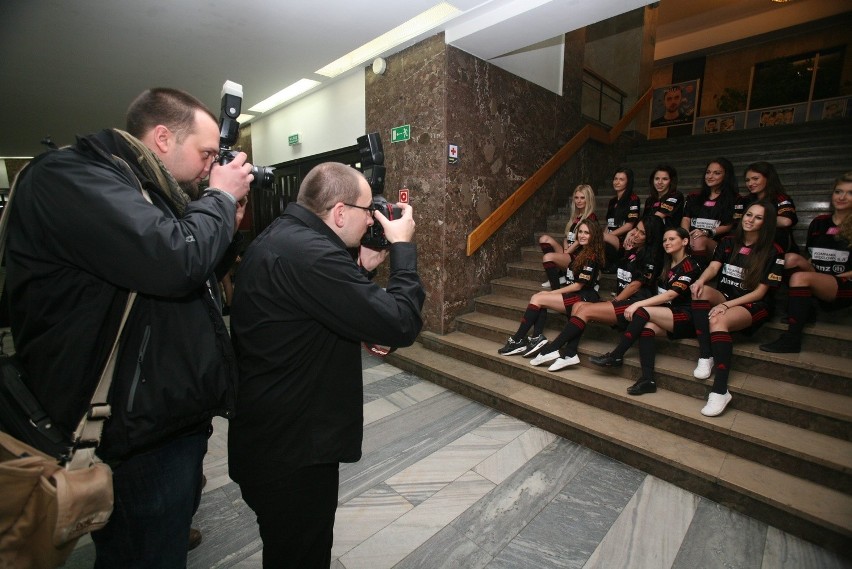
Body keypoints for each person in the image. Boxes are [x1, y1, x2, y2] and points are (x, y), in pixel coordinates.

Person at [5, 87, 252, 567]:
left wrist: (223, 224)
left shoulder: (150, 193)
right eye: (204, 154)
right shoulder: (73, 177)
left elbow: (185, 277)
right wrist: (220, 197)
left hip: (159, 420)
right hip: (129, 432)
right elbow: (174, 262)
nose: (209, 166)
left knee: (156, 535)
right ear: (162, 137)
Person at [228, 162, 425, 568]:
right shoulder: (311, 254)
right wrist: (403, 248)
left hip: (273, 438)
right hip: (293, 454)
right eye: (367, 210)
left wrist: (361, 271)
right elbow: (401, 321)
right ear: (339, 212)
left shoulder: (287, 238)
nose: (373, 219)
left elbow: (311, 308)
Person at [529, 217, 665, 371]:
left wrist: (615, 301)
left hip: (635, 305)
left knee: (585, 310)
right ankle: (570, 354)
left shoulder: (652, 258)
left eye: (643, 233)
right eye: (636, 230)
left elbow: (635, 286)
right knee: (578, 305)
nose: (636, 234)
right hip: (623, 302)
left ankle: (551, 349)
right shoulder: (633, 251)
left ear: (652, 236)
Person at [689, 201, 783, 417]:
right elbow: (714, 267)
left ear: (766, 222)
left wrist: (725, 305)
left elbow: (760, 293)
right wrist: (701, 280)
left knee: (717, 321)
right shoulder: (729, 242)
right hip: (727, 295)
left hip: (753, 304)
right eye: (749, 214)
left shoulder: (773, 251)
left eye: (758, 217)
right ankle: (706, 355)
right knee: (698, 291)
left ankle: (720, 391)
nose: (750, 219)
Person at [589, 227, 702, 395]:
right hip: (667, 313)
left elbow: (671, 294)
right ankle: (648, 379)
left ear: (685, 241)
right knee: (647, 328)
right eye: (664, 240)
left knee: (642, 312)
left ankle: (616, 355)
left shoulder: (690, 265)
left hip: (685, 317)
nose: (667, 243)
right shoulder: (666, 262)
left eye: (672, 239)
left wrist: (638, 304)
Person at [760, 172, 852, 353]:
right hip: (820, 277)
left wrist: (830, 278)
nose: (842, 197)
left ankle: (792, 339)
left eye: (850, 193)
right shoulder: (819, 222)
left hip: (845, 282)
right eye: (838, 191)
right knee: (788, 259)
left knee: (801, 278)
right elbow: (811, 256)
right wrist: (814, 273)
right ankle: (801, 309)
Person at [498, 220, 604, 357]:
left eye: (587, 233)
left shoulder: (591, 256)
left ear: (594, 235)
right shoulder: (582, 251)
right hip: (577, 292)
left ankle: (519, 339)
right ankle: (534, 338)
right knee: (539, 298)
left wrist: (553, 292)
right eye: (581, 232)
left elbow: (579, 285)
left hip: (584, 297)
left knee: (539, 298)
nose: (582, 235)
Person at [539, 184, 597, 289]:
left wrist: (568, 250)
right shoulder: (576, 216)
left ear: (588, 199)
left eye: (582, 198)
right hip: (569, 252)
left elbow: (580, 241)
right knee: (544, 239)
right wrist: (566, 247)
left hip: (578, 257)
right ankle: (561, 275)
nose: (579, 201)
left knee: (547, 257)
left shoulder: (590, 217)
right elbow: (567, 237)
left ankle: (555, 288)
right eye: (576, 197)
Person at [681, 157, 739, 260]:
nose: (710, 176)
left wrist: (707, 232)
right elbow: (686, 218)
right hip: (691, 238)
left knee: (699, 240)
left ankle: (695, 271)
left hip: (716, 243)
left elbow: (729, 225)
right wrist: (686, 235)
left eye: (717, 173)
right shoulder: (693, 196)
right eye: (708, 172)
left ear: (726, 175)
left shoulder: (734, 199)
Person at [742, 161, 799, 253]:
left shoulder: (780, 198)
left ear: (768, 178)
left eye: (755, 178)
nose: (750, 183)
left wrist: (759, 220)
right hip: (750, 245)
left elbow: (786, 221)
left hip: (776, 246)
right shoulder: (746, 200)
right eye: (747, 180)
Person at [602, 167, 641, 269]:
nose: (617, 182)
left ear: (628, 182)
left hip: (623, 240)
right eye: (615, 179)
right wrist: (605, 235)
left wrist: (607, 236)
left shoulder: (633, 199)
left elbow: (629, 226)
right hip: (609, 238)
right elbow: (609, 224)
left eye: (621, 179)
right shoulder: (612, 201)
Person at [642, 164, 684, 229]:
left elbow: (656, 218)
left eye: (665, 179)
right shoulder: (650, 200)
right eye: (657, 179)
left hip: (669, 235)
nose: (660, 182)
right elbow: (644, 219)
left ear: (671, 181)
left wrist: (637, 229)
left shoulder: (676, 195)